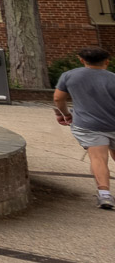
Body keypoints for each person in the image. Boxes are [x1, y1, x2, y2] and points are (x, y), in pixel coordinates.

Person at [53, 46, 115, 210]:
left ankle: (105, 195)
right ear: (107, 62)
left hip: (88, 125)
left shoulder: (69, 76)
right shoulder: (113, 78)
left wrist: (65, 114)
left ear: (82, 60)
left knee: (98, 158)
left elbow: (58, 98)